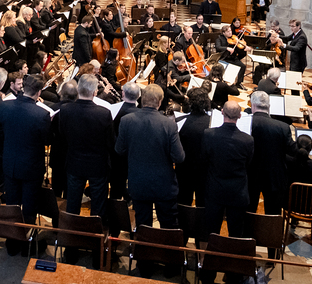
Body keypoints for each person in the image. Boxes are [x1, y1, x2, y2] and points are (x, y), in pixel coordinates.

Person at [115, 84, 184, 229]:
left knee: (143, 226)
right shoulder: (169, 124)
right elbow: (179, 157)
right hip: (164, 184)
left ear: (142, 99)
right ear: (159, 102)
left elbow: (119, 150)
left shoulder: (126, 120)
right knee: (168, 226)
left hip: (138, 182)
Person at [0, 74, 51, 254]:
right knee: (29, 206)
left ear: (23, 88)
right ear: (39, 92)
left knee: (12, 204)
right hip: (31, 167)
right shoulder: (42, 114)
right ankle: (27, 243)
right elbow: (47, 140)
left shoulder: (4, 106)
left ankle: (12, 243)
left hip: (10, 163)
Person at [201, 100, 255, 280]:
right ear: (240, 116)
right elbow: (248, 164)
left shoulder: (209, 134)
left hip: (215, 190)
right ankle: (233, 276)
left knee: (212, 233)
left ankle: (208, 275)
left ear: (222, 113)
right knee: (235, 235)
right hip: (237, 193)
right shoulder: (247, 140)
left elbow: (205, 159)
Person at [60, 75, 113, 224]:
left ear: (78, 89)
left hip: (74, 162)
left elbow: (63, 135)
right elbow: (110, 142)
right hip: (98, 165)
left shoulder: (65, 110)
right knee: (98, 206)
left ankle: (71, 234)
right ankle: (95, 235)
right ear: (95, 92)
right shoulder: (104, 113)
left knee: (72, 203)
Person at [247, 91, 294, 220]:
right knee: (272, 214)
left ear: (253, 105)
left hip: (251, 173)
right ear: (269, 106)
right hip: (274, 175)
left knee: (248, 211)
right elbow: (291, 150)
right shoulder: (283, 127)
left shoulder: (247, 123)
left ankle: (248, 232)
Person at [176, 86, 212, 206]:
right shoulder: (213, 123)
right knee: (203, 205)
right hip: (205, 171)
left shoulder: (179, 121)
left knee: (183, 203)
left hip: (184, 170)